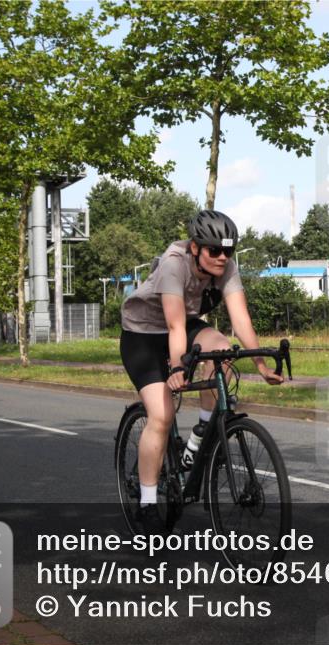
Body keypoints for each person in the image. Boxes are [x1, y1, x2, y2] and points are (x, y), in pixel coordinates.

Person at [119, 210, 284, 535]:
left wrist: (261, 365)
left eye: (228, 251)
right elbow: (174, 325)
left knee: (222, 350)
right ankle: (148, 502)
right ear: (195, 248)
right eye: (214, 251)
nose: (223, 257)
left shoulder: (226, 268)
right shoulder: (173, 264)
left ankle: (201, 437)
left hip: (183, 324)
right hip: (143, 333)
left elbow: (241, 321)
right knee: (162, 414)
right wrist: (180, 367)